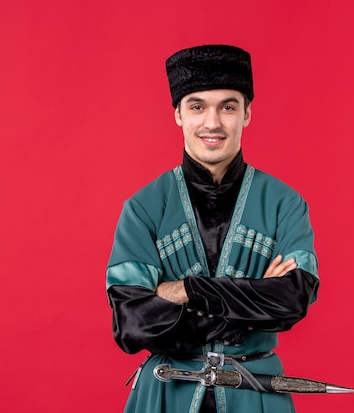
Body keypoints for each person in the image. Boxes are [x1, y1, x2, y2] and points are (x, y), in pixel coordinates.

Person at [106, 44, 319, 413]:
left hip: (255, 394)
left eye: (228, 107)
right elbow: (131, 324)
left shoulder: (286, 203)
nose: (212, 123)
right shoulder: (143, 208)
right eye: (197, 106)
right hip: (164, 395)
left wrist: (187, 289)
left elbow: (291, 300)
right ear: (178, 115)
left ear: (247, 114)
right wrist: (252, 300)